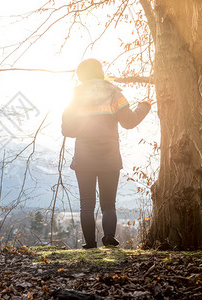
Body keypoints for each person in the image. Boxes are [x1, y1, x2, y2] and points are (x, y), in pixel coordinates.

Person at [61, 58, 154, 249]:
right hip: (110, 158)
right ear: (100, 72)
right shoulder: (113, 92)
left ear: (81, 76)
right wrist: (144, 105)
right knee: (108, 203)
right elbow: (129, 122)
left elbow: (69, 131)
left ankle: (89, 244)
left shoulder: (75, 96)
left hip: (84, 159)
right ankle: (109, 238)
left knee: (86, 203)